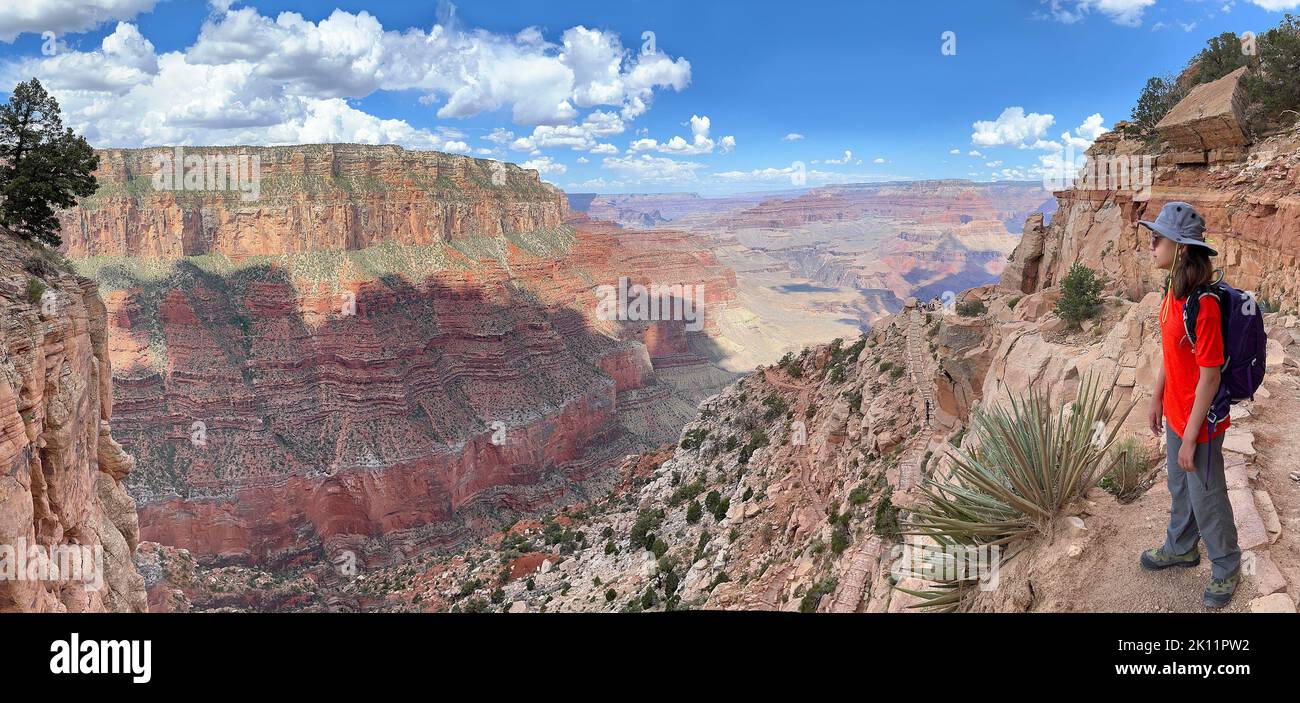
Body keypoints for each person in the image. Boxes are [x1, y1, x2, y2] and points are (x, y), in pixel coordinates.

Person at [1139, 201, 1242, 609]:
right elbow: (1170, 352)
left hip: (1201, 422)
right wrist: (1156, 398)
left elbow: (1211, 374)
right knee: (1180, 488)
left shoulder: (1206, 305)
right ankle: (1181, 547)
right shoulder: (1172, 291)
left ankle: (1227, 566)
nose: (1151, 245)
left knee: (1208, 496)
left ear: (1180, 248)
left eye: (1157, 239)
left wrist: (1190, 438)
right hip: (1177, 414)